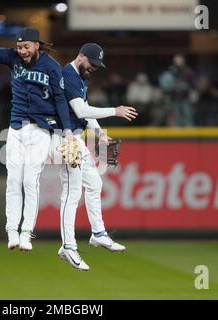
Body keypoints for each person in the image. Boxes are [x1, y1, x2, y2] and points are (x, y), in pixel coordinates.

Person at [0, 27, 74, 251]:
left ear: (36, 45)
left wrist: (68, 131)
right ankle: (12, 230)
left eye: (25, 46)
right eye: (19, 47)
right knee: (13, 180)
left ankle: (26, 233)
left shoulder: (51, 67)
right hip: (15, 128)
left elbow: (60, 99)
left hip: (41, 130)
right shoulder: (13, 58)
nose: (21, 51)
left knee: (30, 181)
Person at [58, 43, 137, 270]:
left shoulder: (80, 77)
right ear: (81, 56)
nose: (94, 67)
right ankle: (68, 246)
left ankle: (98, 233)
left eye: (97, 65)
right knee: (71, 194)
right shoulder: (69, 75)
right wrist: (115, 110)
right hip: (63, 138)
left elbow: (85, 109)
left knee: (94, 182)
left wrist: (99, 133)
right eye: (92, 63)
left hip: (75, 138)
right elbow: (80, 111)